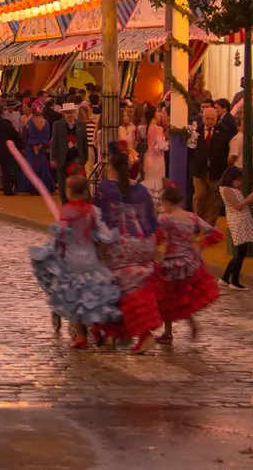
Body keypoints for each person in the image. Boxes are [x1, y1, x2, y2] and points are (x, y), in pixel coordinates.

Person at [30, 174, 123, 349]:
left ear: (69, 192)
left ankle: (81, 336)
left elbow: (63, 235)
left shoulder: (66, 210)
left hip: (72, 259)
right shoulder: (93, 210)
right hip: (90, 257)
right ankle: (96, 328)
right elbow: (103, 233)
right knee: (92, 295)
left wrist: (54, 249)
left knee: (74, 298)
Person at [93, 151, 162, 353]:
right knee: (131, 291)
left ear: (112, 168)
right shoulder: (141, 189)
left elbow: (97, 216)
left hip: (116, 245)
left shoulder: (105, 188)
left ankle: (128, 334)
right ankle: (123, 334)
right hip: (140, 243)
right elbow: (151, 218)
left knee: (112, 290)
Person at [154, 185, 224, 342]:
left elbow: (155, 237)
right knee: (183, 295)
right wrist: (201, 247)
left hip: (172, 261)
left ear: (165, 201)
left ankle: (168, 333)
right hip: (191, 262)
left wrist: (156, 253)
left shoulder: (165, 218)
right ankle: (189, 325)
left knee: (167, 297)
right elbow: (214, 232)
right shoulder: (191, 217)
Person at [218, 166, 253, 291]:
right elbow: (238, 206)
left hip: (241, 220)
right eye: (238, 180)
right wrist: (250, 196)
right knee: (240, 253)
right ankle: (234, 281)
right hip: (237, 222)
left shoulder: (233, 190)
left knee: (240, 253)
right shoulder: (226, 190)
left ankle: (225, 278)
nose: (240, 183)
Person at [190, 107, 231, 226]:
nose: (210, 121)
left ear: (216, 119)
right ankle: (197, 222)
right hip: (199, 169)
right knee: (199, 196)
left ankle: (209, 224)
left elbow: (227, 150)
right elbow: (190, 150)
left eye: (212, 119)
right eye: (207, 118)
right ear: (203, 119)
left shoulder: (224, 131)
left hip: (216, 170)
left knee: (215, 198)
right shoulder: (195, 131)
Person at [50, 104, 83, 202]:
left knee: (76, 183)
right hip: (62, 158)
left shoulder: (81, 124)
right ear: (63, 113)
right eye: (67, 112)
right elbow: (53, 142)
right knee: (63, 183)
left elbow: (84, 142)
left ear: (75, 113)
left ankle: (76, 204)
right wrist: (53, 158)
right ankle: (65, 204)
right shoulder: (57, 124)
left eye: (71, 112)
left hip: (76, 158)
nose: (69, 115)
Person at [22, 111, 55, 197]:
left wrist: (34, 146)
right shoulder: (46, 122)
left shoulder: (30, 122)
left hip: (31, 147)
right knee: (42, 165)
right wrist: (40, 145)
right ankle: (43, 188)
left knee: (31, 166)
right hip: (42, 147)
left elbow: (28, 135)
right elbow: (47, 136)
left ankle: (32, 188)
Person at [142, 106, 169, 194]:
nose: (159, 113)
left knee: (149, 181)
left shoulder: (145, 128)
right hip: (157, 159)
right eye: (158, 111)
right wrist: (169, 143)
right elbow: (161, 146)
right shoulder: (158, 129)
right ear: (153, 114)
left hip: (148, 157)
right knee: (157, 183)